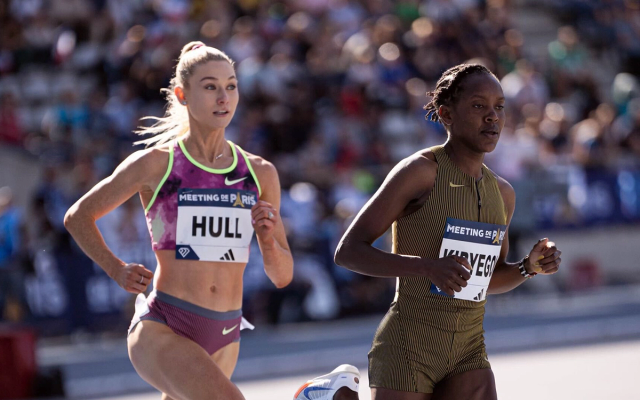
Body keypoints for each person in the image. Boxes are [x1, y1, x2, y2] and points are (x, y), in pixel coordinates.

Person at [64, 42, 296, 400]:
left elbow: (282, 276)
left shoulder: (258, 172)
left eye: (231, 86)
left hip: (225, 332)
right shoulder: (157, 164)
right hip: (166, 325)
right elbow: (78, 216)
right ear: (182, 94)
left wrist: (267, 240)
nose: (224, 97)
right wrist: (115, 269)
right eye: (210, 87)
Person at [333, 64, 562, 400]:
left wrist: (528, 267)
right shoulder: (420, 171)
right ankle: (333, 395)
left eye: (498, 107)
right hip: (410, 344)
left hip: (468, 349)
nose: (492, 117)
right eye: (478, 106)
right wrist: (425, 267)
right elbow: (348, 251)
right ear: (446, 114)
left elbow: (487, 281)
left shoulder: (503, 193)